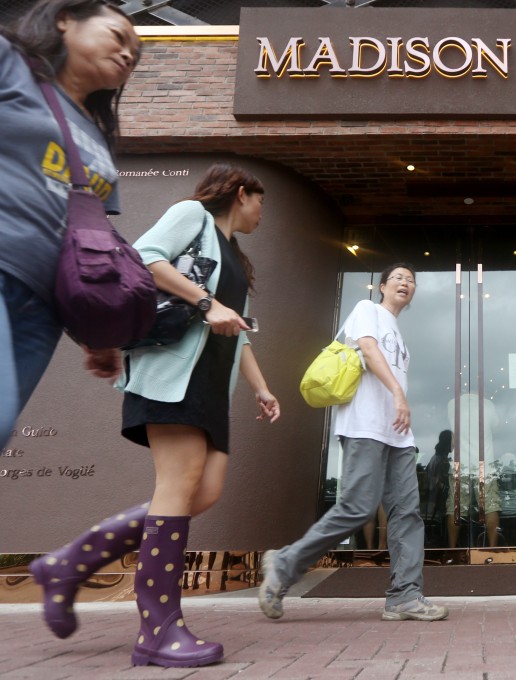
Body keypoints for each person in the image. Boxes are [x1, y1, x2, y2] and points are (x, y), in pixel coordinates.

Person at [29, 162, 281, 667]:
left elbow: (237, 329)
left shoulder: (233, 254)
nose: (261, 213)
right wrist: (206, 300)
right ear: (239, 193)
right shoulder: (192, 215)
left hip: (210, 384)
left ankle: (67, 563)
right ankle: (158, 629)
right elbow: (145, 257)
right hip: (172, 376)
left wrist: (261, 388)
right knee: (178, 486)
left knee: (201, 493)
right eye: (259, 202)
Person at [259, 263, 448, 622]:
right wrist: (397, 393)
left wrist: (402, 408)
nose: (405, 283)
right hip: (365, 428)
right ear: (381, 287)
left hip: (398, 435)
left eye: (411, 280)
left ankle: (405, 597)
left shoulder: (402, 338)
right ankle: (284, 565)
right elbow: (367, 348)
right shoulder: (367, 311)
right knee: (357, 508)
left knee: (407, 514)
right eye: (398, 278)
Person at [0, 0, 139, 450]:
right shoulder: (9, 63)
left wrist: (93, 331)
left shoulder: (98, 139)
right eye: (118, 37)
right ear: (65, 20)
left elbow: (84, 237)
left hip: (42, 310)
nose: (127, 55)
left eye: (134, 55)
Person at [446, 393, 502, 548]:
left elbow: (452, 435)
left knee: (455, 507)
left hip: (460, 463)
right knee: (490, 506)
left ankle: (452, 550)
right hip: (484, 463)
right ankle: (492, 549)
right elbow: (496, 427)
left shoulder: (452, 403)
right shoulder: (488, 404)